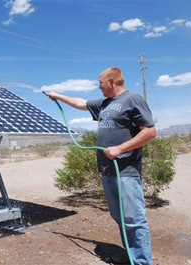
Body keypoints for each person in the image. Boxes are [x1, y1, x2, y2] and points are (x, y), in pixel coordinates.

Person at [46, 67, 156, 265]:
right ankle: (131, 255)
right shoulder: (105, 104)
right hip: (107, 172)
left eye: (101, 82)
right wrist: (57, 96)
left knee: (134, 219)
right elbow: (81, 103)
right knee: (120, 217)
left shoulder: (133, 100)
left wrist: (120, 148)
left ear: (112, 81)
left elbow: (149, 131)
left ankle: (142, 262)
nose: (99, 86)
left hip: (125, 172)